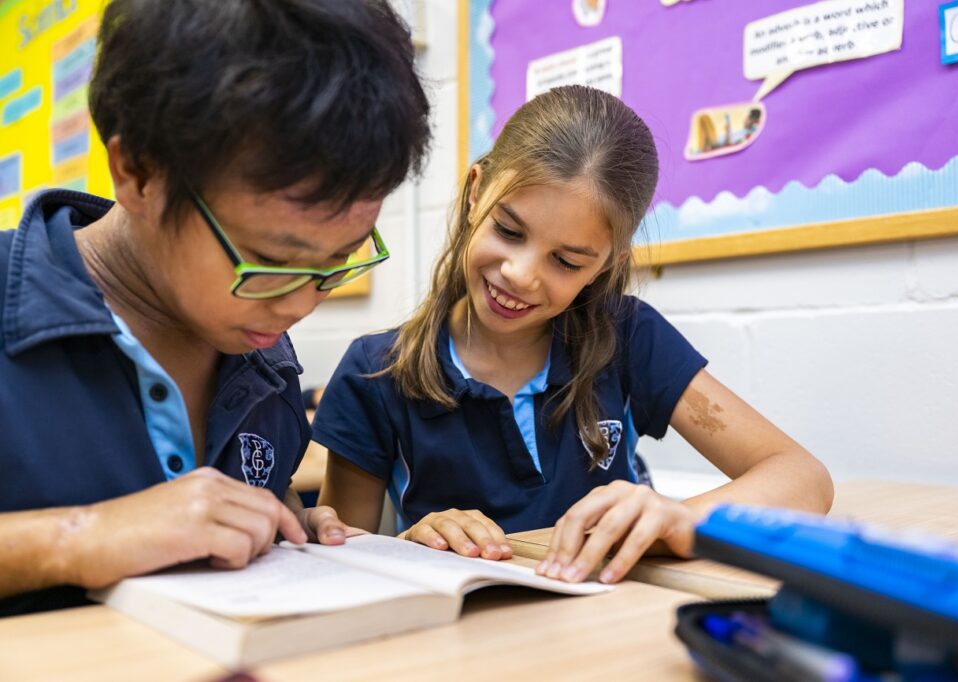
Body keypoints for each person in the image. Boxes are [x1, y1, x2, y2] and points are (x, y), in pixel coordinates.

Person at [0, 0, 430, 615]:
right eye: (268, 261)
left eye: (337, 262)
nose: (300, 304)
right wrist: (75, 538)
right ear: (140, 171)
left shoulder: (260, 356)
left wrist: (286, 532)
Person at [312, 85, 832, 585]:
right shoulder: (375, 370)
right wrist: (405, 544)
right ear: (476, 194)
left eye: (566, 261)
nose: (520, 273)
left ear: (607, 264)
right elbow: (342, 559)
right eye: (508, 231)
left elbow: (802, 479)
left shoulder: (629, 336)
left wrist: (678, 518)